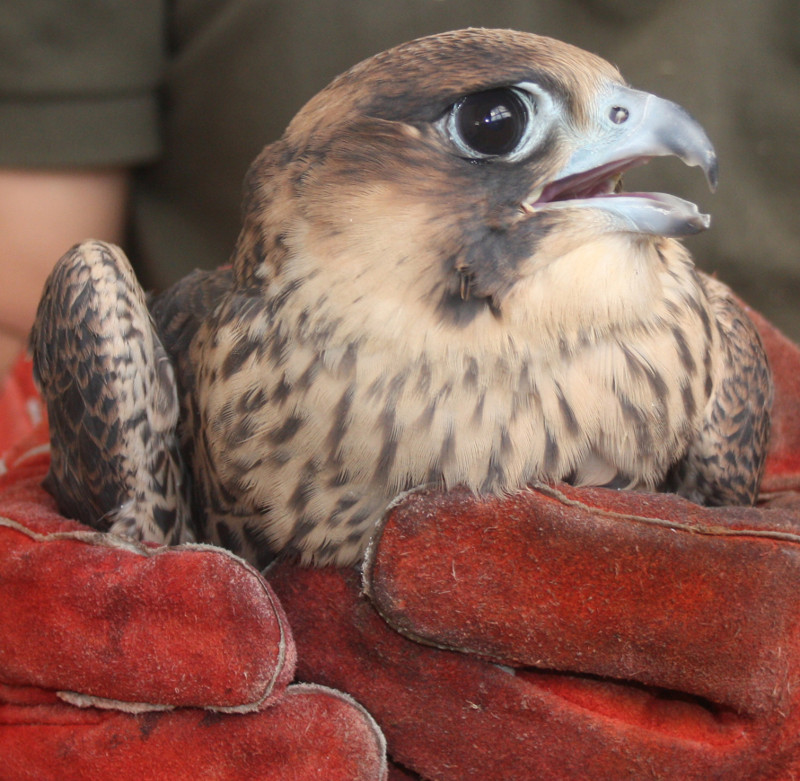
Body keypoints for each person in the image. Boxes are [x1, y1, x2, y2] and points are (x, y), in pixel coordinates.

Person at [1, 0, 798, 379]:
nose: (654, 130)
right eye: (497, 126)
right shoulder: (228, 385)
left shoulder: (704, 363)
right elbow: (19, 312)